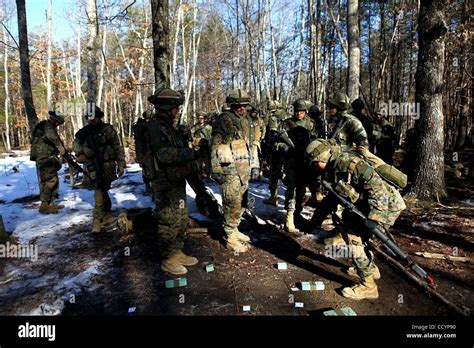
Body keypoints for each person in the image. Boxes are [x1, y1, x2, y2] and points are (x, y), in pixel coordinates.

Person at [306, 138, 406, 300]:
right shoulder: (332, 168)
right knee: (355, 230)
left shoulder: (346, 163)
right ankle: (370, 268)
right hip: (372, 204)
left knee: (353, 237)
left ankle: (368, 286)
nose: (314, 166)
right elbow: (332, 197)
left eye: (315, 162)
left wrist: (376, 216)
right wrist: (315, 220)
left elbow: (375, 184)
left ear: (323, 157)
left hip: (386, 205)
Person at [141, 88, 200, 275]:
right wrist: (192, 153)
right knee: (168, 220)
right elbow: (166, 155)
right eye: (175, 108)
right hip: (163, 181)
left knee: (181, 218)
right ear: (167, 108)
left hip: (175, 179)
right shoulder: (156, 127)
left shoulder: (167, 127)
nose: (177, 111)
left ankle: (176, 251)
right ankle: (168, 258)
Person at [211, 89, 253, 253]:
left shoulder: (245, 120)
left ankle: (235, 228)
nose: (241, 108)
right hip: (229, 167)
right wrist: (215, 168)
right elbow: (215, 143)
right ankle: (229, 236)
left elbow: (249, 143)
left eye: (244, 105)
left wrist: (253, 164)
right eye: (238, 105)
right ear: (232, 105)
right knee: (232, 201)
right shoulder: (224, 120)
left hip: (243, 165)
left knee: (242, 200)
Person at [73, 106, 126, 233]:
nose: (92, 120)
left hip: (108, 165)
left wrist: (121, 163)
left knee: (104, 189)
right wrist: (84, 150)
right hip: (92, 166)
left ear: (99, 116)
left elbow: (117, 147)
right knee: (99, 189)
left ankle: (107, 214)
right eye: (90, 117)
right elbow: (75, 146)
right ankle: (97, 220)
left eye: (94, 117)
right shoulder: (83, 132)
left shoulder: (108, 130)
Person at [275, 99, 317, 232]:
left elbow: (317, 141)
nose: (299, 113)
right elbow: (276, 143)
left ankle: (297, 213)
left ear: (305, 112)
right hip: (291, 161)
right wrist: (286, 148)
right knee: (291, 189)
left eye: (302, 111)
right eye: (297, 111)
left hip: (306, 161)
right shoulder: (286, 124)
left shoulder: (311, 124)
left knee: (302, 190)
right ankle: (289, 216)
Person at [30, 111, 67, 214]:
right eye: (58, 123)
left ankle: (50, 203)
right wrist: (60, 147)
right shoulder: (47, 125)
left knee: (53, 180)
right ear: (55, 121)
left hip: (48, 156)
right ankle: (44, 204)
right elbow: (52, 137)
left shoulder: (45, 126)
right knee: (51, 180)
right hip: (45, 157)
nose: (58, 125)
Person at [263, 100, 289, 206]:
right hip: (288, 149)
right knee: (289, 173)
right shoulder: (288, 115)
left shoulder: (274, 118)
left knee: (274, 173)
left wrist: (268, 150)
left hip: (277, 150)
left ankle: (273, 197)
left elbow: (272, 135)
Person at [133, 109, 154, 195]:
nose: (148, 120)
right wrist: (140, 156)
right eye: (147, 118)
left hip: (153, 152)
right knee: (146, 171)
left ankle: (153, 188)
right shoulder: (141, 128)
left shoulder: (153, 125)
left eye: (150, 118)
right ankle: (148, 187)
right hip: (145, 152)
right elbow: (138, 143)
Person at [191, 111, 213, 178]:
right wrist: (194, 142)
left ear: (204, 119)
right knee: (198, 162)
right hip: (198, 147)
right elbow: (191, 136)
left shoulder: (209, 127)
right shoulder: (194, 127)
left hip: (206, 147)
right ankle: (199, 175)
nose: (200, 119)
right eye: (199, 118)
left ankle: (208, 175)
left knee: (207, 162)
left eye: (202, 118)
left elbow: (211, 137)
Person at [247, 105, 265, 182]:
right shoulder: (246, 120)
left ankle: (255, 176)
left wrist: (261, 138)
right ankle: (248, 175)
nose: (254, 114)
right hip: (247, 142)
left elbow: (263, 129)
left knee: (256, 160)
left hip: (256, 143)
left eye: (255, 113)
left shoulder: (259, 120)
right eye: (253, 112)